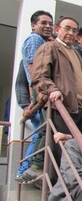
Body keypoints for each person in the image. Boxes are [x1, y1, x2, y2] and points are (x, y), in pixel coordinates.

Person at [26, 17, 82, 181]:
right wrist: (52, 90)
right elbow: (39, 76)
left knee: (79, 151)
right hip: (61, 107)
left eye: (74, 30)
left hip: (81, 109)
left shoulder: (76, 53)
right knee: (58, 150)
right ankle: (53, 188)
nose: (70, 33)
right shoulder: (49, 47)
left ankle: (72, 188)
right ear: (57, 29)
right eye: (67, 28)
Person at [15, 10, 53, 179]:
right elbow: (33, 67)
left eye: (50, 24)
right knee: (41, 130)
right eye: (43, 23)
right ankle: (24, 170)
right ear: (33, 25)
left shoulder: (42, 41)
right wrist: (39, 92)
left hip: (39, 92)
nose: (47, 26)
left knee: (42, 130)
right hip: (40, 92)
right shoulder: (34, 39)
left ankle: (25, 169)